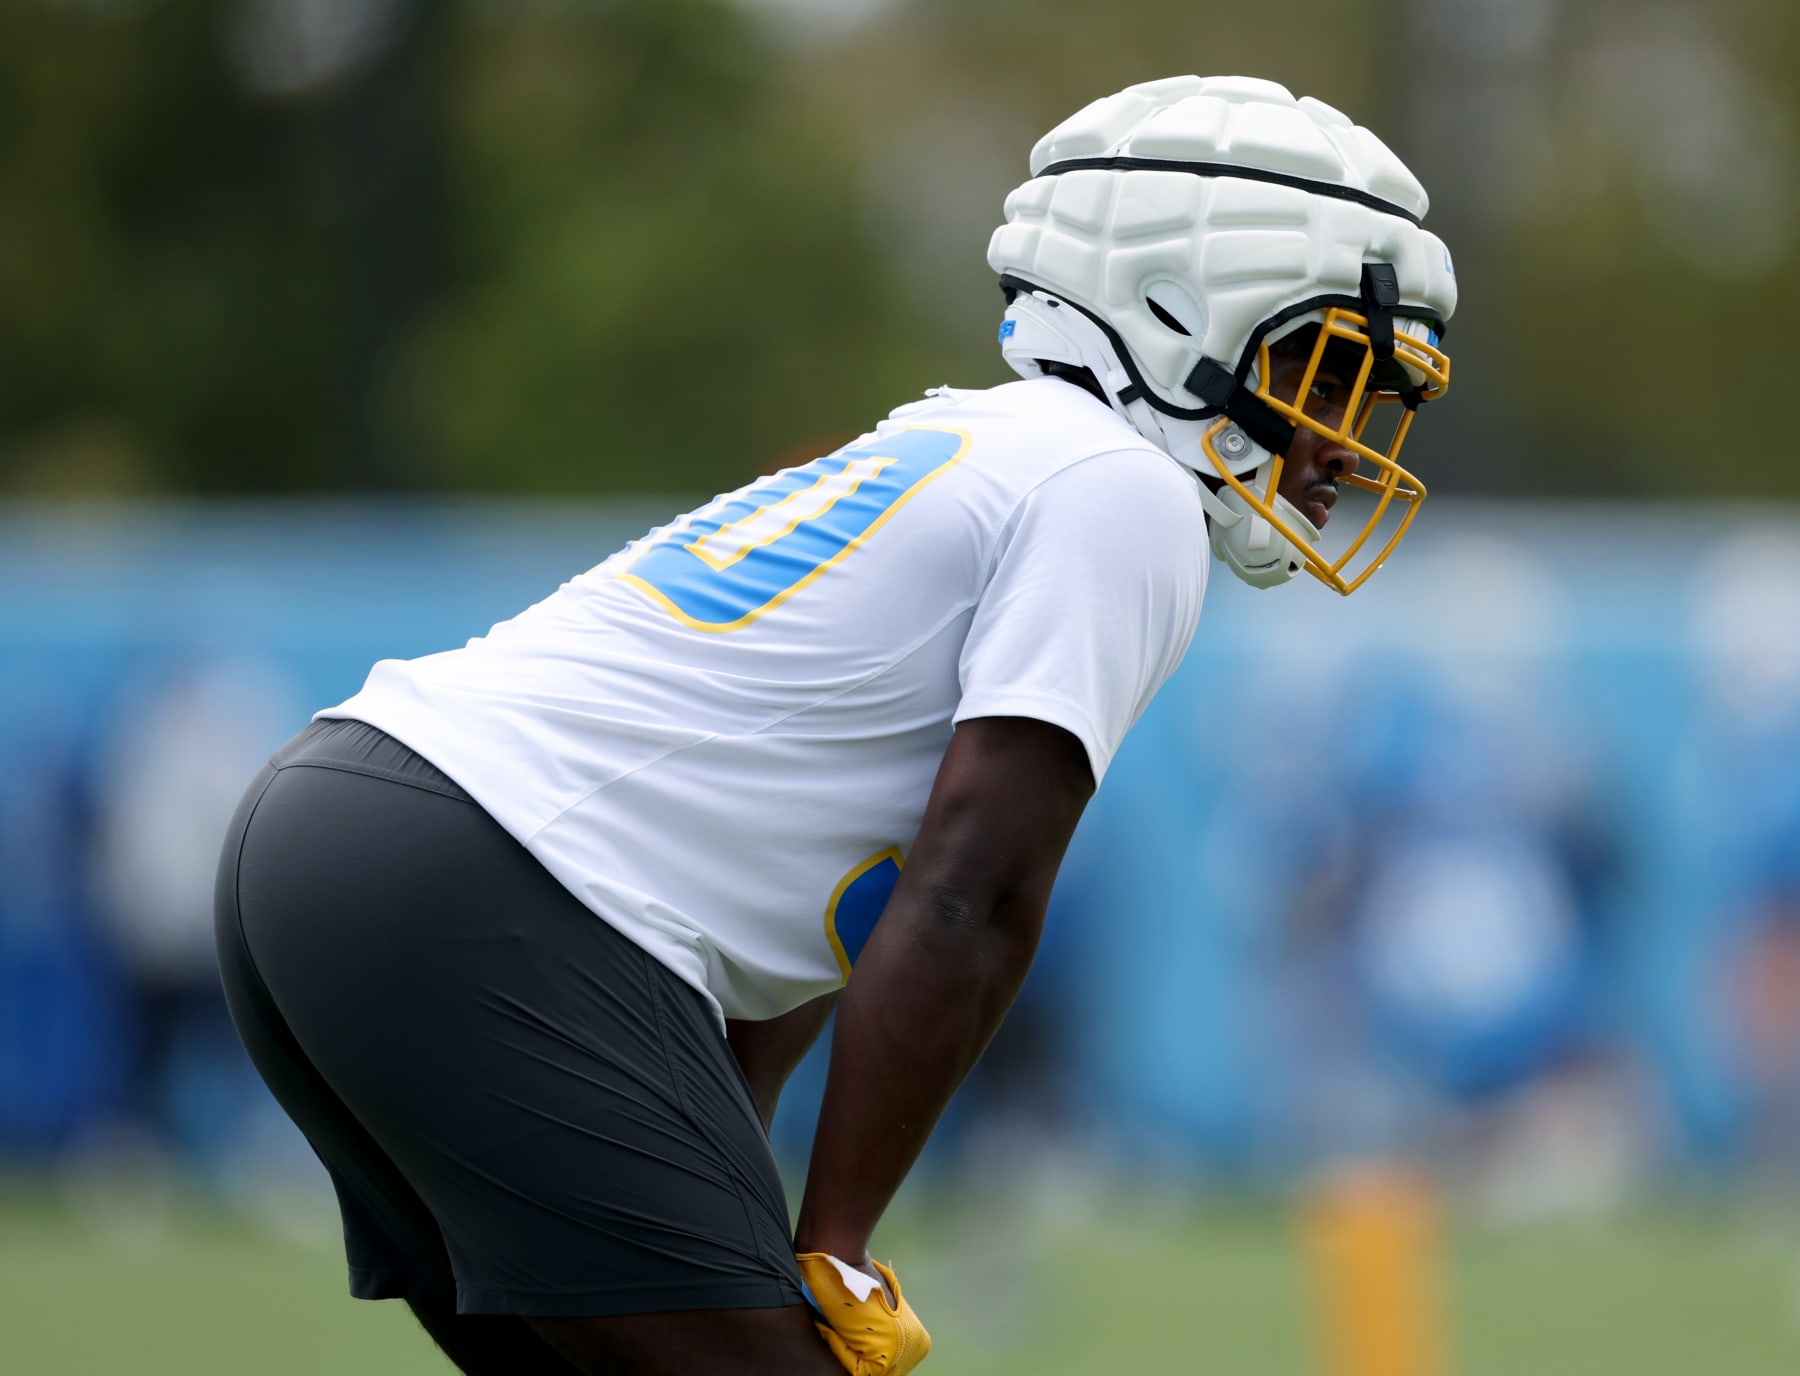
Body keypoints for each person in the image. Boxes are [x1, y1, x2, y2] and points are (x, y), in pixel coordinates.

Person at [214, 74, 1456, 1376]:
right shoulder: (1121, 495)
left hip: (348, 845)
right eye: (1330, 364)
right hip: (493, 882)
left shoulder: (980, 442)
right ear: (1179, 307)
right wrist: (837, 1242)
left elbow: (820, 886)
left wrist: (742, 1191)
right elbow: (973, 894)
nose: (1343, 443)